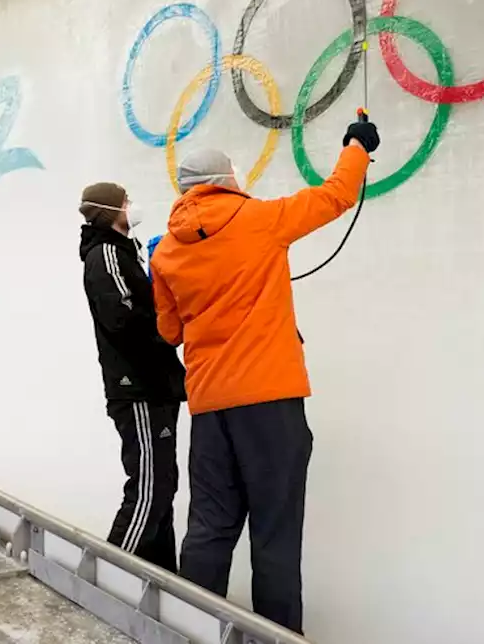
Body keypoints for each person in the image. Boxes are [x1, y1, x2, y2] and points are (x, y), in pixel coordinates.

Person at [148, 119, 380, 633]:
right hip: (270, 403)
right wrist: (358, 145)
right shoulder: (262, 219)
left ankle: (192, 630)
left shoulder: (165, 251)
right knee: (273, 534)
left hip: (209, 407)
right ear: (228, 179)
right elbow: (338, 194)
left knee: (208, 529)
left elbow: (168, 331)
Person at [79, 182, 188, 572]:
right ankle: (109, 576)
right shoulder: (106, 252)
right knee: (149, 488)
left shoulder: (124, 251)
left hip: (154, 384)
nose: (132, 206)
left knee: (163, 486)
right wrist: (167, 329)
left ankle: (159, 577)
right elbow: (123, 317)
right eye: (126, 201)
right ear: (111, 211)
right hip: (136, 386)